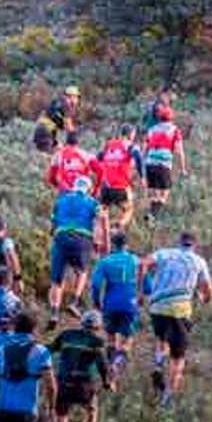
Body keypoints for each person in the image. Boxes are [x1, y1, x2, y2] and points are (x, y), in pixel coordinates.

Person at [140, 231, 212, 408]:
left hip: (157, 308)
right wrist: (203, 298)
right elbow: (209, 293)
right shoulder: (199, 261)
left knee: (162, 338)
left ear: (179, 242)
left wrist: (142, 288)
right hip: (180, 313)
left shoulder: (164, 253)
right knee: (178, 357)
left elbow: (143, 263)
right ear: (194, 245)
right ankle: (167, 399)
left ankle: (158, 363)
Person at [48, 176, 109, 330]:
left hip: (61, 236)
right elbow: (102, 216)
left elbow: (53, 224)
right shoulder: (91, 202)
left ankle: (54, 313)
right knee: (82, 272)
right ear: (88, 190)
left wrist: (55, 237)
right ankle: (74, 302)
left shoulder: (61, 200)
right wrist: (103, 240)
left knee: (57, 281)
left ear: (74, 187)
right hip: (82, 238)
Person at [49, 310, 110, 422]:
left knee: (61, 419)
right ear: (98, 327)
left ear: (82, 323)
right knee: (92, 410)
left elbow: (48, 350)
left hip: (62, 381)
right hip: (83, 383)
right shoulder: (96, 341)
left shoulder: (66, 335)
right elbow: (102, 364)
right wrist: (107, 382)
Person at [90, 232, 140, 383]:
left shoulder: (105, 261)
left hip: (110, 304)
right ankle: (117, 364)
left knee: (110, 339)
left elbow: (96, 284)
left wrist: (96, 302)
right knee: (128, 340)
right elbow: (147, 283)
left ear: (113, 245)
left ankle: (110, 368)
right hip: (129, 303)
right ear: (126, 245)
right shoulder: (134, 260)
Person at [143, 106, 187, 219]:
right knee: (164, 194)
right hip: (163, 165)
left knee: (155, 194)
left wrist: (142, 166)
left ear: (159, 117)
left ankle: (151, 216)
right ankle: (153, 216)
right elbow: (179, 151)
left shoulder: (152, 129)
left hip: (150, 164)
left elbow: (145, 148)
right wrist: (183, 169)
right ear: (172, 118)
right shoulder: (174, 130)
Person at [96, 127, 143, 230]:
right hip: (121, 186)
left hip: (106, 186)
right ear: (130, 134)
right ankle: (118, 227)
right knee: (128, 210)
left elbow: (97, 158)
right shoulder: (130, 145)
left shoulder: (109, 145)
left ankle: (102, 233)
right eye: (134, 134)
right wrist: (142, 176)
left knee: (103, 212)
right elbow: (138, 157)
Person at [48, 130, 100, 194]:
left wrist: (59, 186)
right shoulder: (86, 154)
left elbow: (51, 178)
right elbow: (100, 170)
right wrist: (96, 189)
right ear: (77, 143)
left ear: (66, 143)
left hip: (66, 192)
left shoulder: (58, 155)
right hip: (82, 192)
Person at [34, 86, 81, 152]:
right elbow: (69, 126)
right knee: (56, 156)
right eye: (77, 97)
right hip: (46, 134)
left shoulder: (56, 102)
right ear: (72, 97)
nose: (77, 101)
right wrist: (73, 141)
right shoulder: (66, 105)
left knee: (58, 150)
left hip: (41, 133)